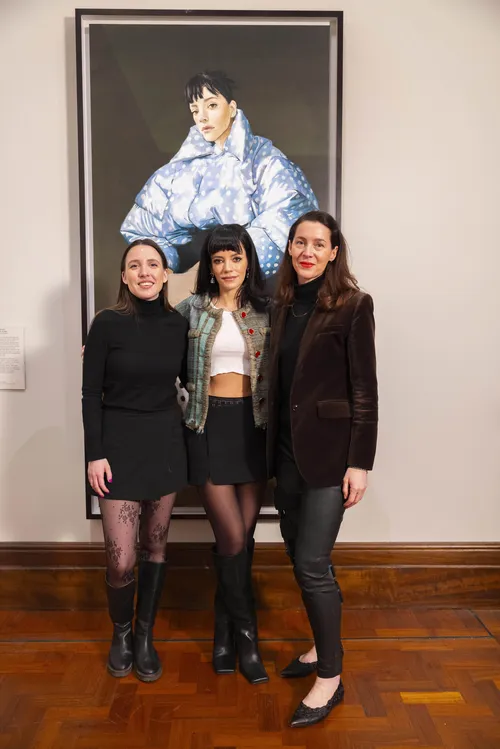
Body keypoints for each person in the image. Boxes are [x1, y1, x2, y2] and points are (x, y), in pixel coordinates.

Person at [267, 210, 378, 727]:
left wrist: (360, 462)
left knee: (313, 562)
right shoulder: (282, 304)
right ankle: (321, 645)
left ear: (334, 252)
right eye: (299, 242)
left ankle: (330, 677)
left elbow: (364, 390)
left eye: (318, 243)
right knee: (300, 557)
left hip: (331, 456)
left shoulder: (354, 305)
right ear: (290, 248)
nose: (307, 251)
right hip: (285, 454)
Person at [82, 239, 188, 683]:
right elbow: (90, 394)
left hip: (165, 445)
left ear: (165, 274)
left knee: (156, 547)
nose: (145, 272)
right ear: (124, 276)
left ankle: (144, 635)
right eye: (135, 265)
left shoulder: (179, 325)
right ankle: (121, 633)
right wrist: (94, 454)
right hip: (118, 449)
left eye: (153, 264)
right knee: (122, 559)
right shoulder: (106, 323)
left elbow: (192, 381)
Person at [176, 223, 270, 685]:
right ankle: (247, 638)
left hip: (254, 430)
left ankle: (224, 631)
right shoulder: (190, 310)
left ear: (248, 260)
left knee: (243, 541)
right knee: (231, 539)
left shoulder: (268, 312)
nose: (227, 267)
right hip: (208, 425)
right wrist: (103, 348)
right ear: (209, 267)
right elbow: (149, 338)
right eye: (218, 260)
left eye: (235, 257)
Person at [121, 70, 318, 277]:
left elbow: (284, 222)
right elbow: (140, 226)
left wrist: (223, 265)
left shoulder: (265, 160)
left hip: (252, 283)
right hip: (193, 283)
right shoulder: (178, 169)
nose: (202, 117)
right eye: (195, 110)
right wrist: (169, 268)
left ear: (231, 108)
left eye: (212, 105)